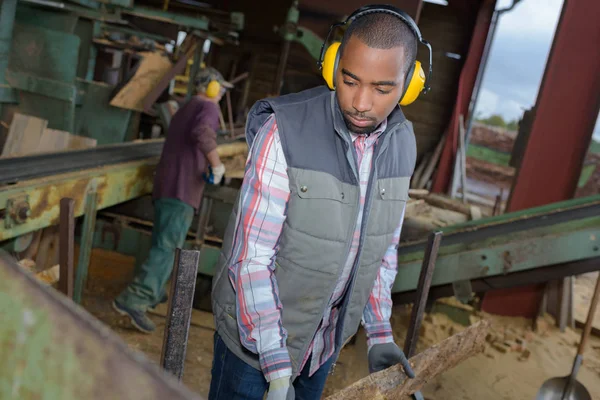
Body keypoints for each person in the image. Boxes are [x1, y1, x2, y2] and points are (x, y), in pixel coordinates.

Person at [209, 5, 432, 400]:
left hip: (321, 350)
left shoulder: (404, 143)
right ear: (332, 66)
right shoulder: (284, 130)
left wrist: (378, 331)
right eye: (349, 80)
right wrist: (276, 369)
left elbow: (382, 249)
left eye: (382, 89)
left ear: (410, 85)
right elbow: (251, 256)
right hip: (253, 350)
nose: (361, 102)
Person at [113, 67, 232, 333]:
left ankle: (153, 291)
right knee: (167, 248)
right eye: (221, 88)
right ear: (211, 87)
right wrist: (218, 164)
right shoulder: (208, 109)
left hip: (167, 185)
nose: (222, 93)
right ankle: (134, 299)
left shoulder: (187, 105)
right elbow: (203, 133)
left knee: (162, 243)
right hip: (181, 190)